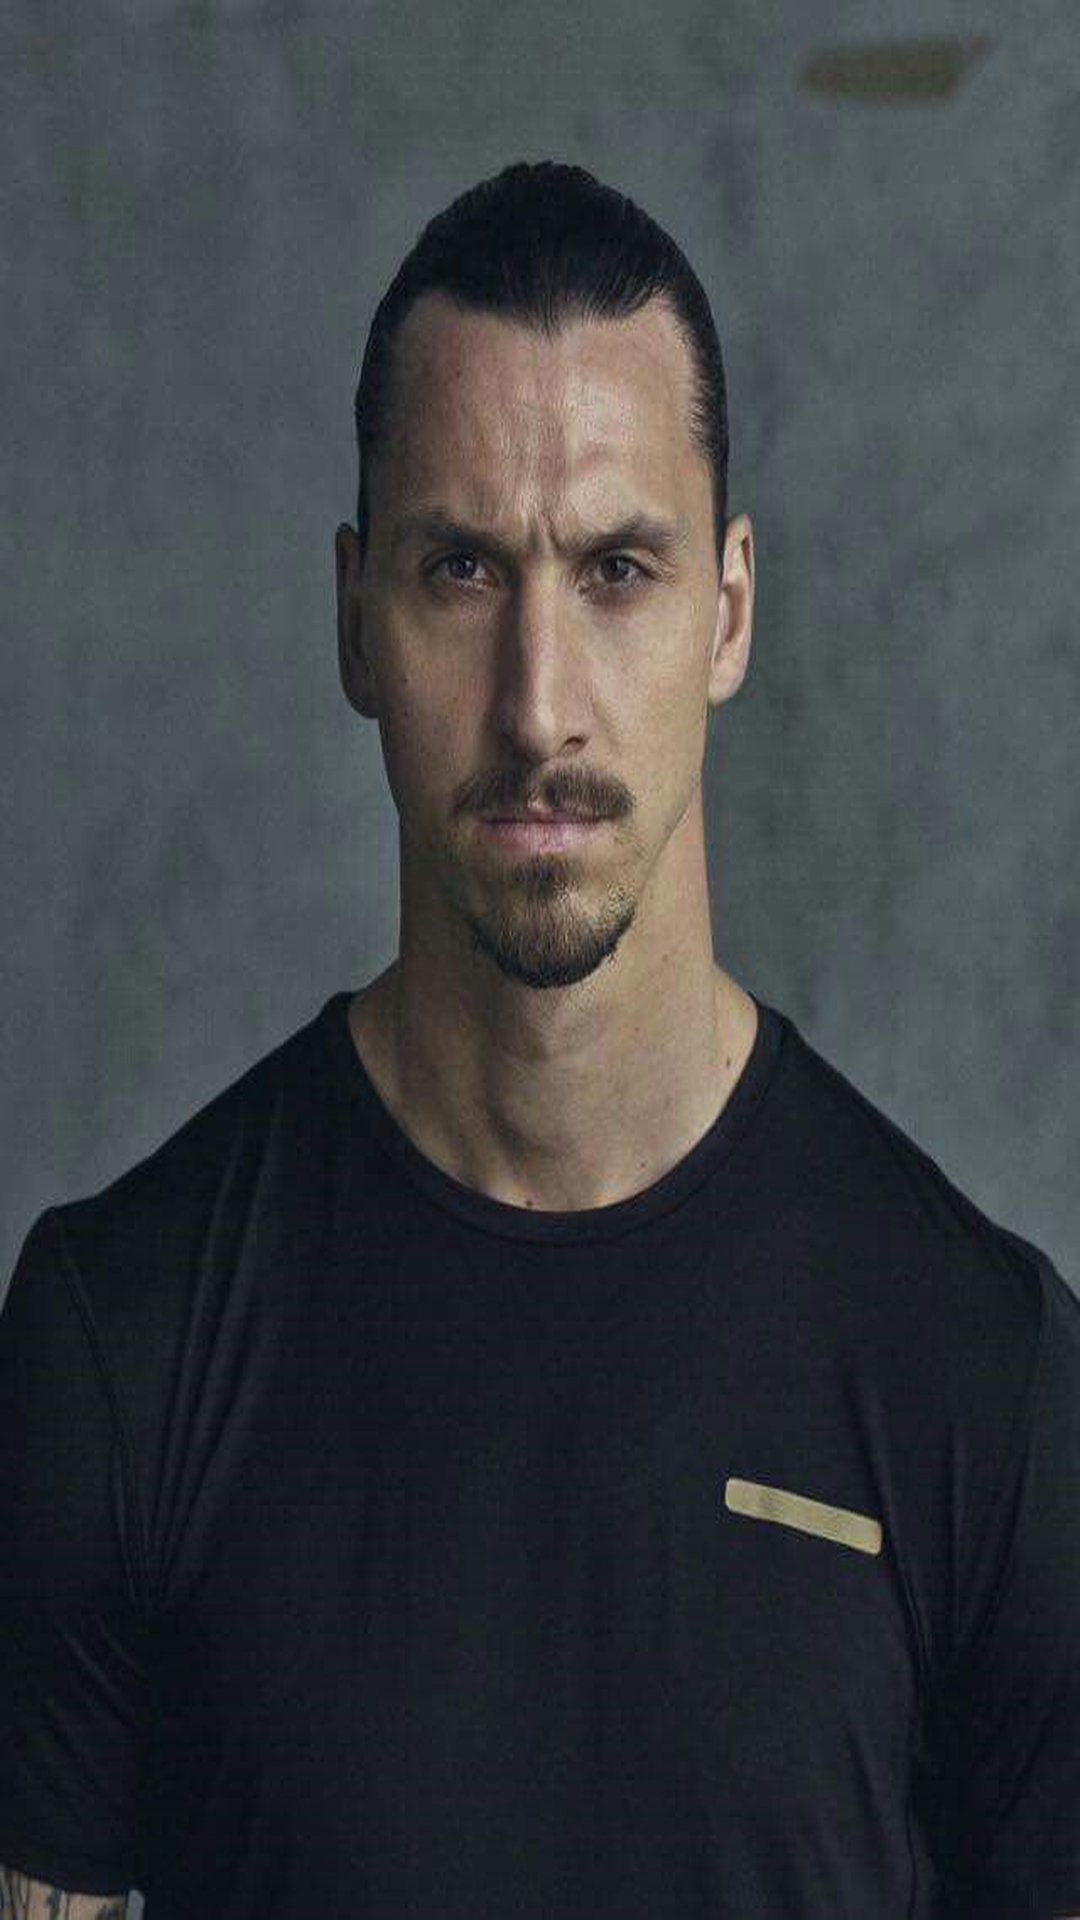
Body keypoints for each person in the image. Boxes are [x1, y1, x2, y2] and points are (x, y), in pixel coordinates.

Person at [1, 159, 1077, 1920]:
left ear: (729, 609)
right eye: (460, 570)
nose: (538, 703)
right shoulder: (122, 1343)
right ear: (355, 617)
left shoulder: (980, 1373)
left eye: (618, 569)